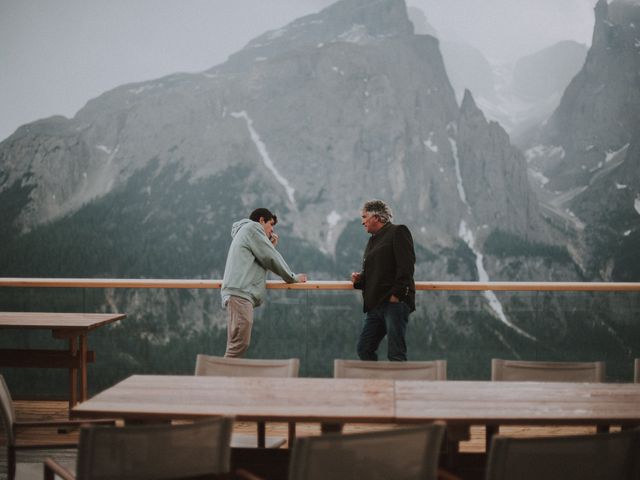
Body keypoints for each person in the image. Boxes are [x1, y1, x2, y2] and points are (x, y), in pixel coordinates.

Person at [221, 208, 307, 357]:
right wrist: (292, 278)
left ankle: (224, 377)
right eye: (271, 224)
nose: (272, 229)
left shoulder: (245, 232)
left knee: (235, 345)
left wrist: (269, 245)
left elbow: (260, 259)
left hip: (236, 294)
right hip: (241, 295)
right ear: (261, 221)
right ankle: (220, 378)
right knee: (238, 346)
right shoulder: (253, 228)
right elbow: (270, 258)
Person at [351, 200, 416, 361]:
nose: (362, 221)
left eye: (365, 216)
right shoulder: (373, 240)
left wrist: (397, 296)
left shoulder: (398, 231)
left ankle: (398, 386)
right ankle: (376, 385)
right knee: (364, 349)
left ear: (376, 217)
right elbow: (378, 271)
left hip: (393, 303)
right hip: (375, 305)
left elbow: (406, 266)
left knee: (396, 354)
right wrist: (360, 279)